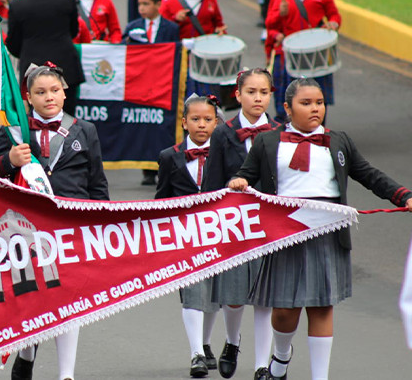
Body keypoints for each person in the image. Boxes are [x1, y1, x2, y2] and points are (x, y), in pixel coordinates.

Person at [228, 77, 412, 380]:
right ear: (287, 108)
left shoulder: (338, 141)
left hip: (327, 233)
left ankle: (320, 377)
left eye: (320, 103)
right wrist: (239, 182)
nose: (315, 109)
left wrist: (403, 195)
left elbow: (369, 174)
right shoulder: (267, 142)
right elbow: (245, 175)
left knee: (321, 306)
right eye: (306, 103)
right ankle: (281, 359)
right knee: (285, 310)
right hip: (284, 234)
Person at [0, 63, 109, 380]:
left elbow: (97, 184)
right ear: (28, 97)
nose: (48, 97)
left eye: (54, 90)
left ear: (65, 93)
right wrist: (8, 161)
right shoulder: (14, 129)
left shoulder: (85, 130)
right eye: (40, 92)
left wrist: (101, 222)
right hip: (27, 227)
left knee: (69, 298)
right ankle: (27, 353)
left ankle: (66, 374)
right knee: (32, 293)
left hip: (71, 225)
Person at [201, 68, 280, 380]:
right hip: (233, 224)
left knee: (265, 297)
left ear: (271, 95)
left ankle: (262, 364)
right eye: (251, 92)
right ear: (237, 95)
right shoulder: (223, 132)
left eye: (263, 92)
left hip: (270, 224)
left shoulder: (280, 130)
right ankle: (232, 342)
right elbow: (211, 182)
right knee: (234, 294)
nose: (257, 98)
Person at [156, 94, 220, 379]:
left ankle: (205, 343)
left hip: (218, 233)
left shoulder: (225, 155)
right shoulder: (169, 157)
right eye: (195, 119)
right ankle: (195, 353)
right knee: (192, 292)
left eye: (208, 120)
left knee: (214, 295)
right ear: (184, 122)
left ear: (217, 123)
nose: (202, 125)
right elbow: (162, 199)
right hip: (184, 236)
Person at [6, 0, 84, 114]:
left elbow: (13, 44)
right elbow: (74, 31)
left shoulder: (18, 3)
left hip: (33, 70)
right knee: (67, 118)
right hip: (65, 67)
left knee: (38, 120)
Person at [266, 0, 340, 123]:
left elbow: (334, 15)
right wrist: (280, 14)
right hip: (288, 54)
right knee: (287, 96)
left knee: (316, 93)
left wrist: (334, 24)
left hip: (315, 53)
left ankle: (316, 127)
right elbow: (270, 25)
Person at [123, 0, 179, 187]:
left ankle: (163, 166)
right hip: (140, 86)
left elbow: (176, 54)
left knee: (161, 126)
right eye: (139, 4)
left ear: (158, 5)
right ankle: (147, 170)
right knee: (144, 125)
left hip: (163, 85)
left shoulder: (171, 28)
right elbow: (122, 53)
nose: (141, 8)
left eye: (146, 4)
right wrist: (128, 42)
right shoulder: (133, 26)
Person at [161, 0, 226, 97]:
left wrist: (221, 31)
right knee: (185, 92)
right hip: (183, 56)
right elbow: (163, 29)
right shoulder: (171, 2)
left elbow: (219, 24)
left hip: (206, 54)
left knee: (208, 92)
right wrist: (175, 18)